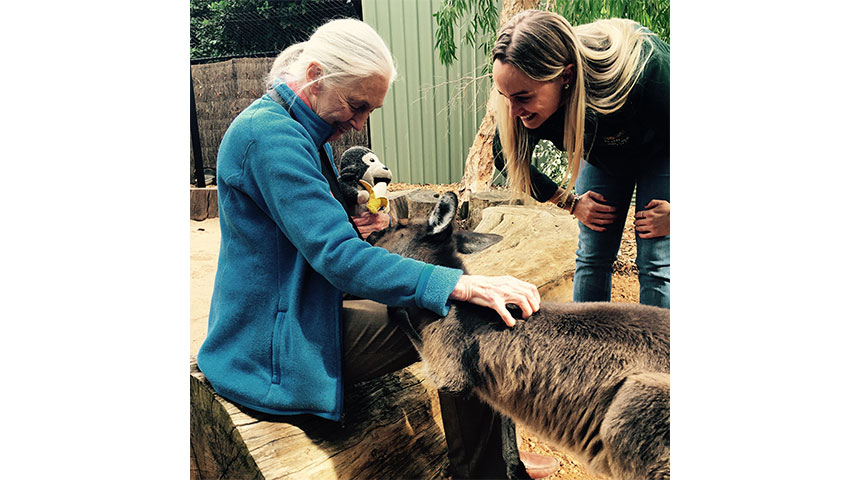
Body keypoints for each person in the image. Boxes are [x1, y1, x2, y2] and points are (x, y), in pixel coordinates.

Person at [196, 18, 559, 479]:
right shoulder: (271, 138)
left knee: (468, 311)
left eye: (368, 109)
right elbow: (338, 259)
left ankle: (499, 461)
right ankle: (486, 471)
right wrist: (457, 284)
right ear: (314, 75)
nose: (359, 122)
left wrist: (349, 224)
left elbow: (303, 237)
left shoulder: (296, 127)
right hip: (269, 343)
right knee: (471, 318)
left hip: (301, 304)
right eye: (356, 104)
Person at [491, 10, 670, 308]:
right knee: (592, 253)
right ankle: (586, 347)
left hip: (663, 147)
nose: (512, 112)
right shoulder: (522, 106)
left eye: (523, 97)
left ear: (566, 77)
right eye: (505, 96)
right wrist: (570, 202)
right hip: (602, 151)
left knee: (655, 260)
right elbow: (505, 157)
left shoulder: (651, 74)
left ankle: (659, 352)